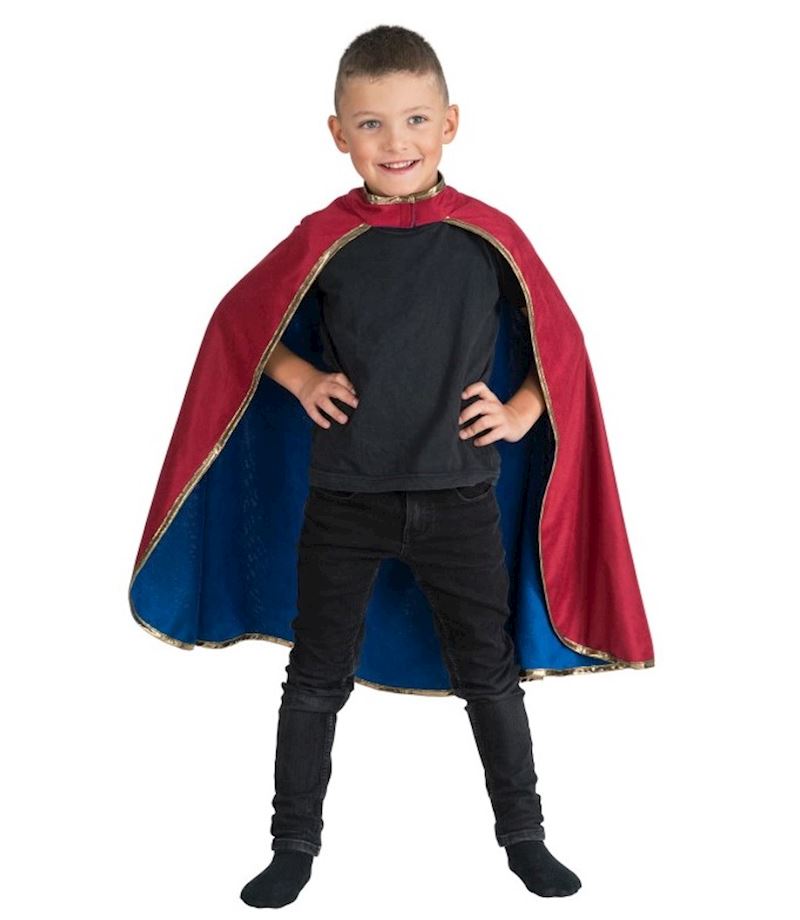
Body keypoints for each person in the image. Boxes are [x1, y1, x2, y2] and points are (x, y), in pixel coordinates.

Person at [129, 23, 654, 911]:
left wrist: (522, 410)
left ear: (450, 123)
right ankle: (292, 847)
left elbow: (560, 345)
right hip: (345, 499)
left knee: (489, 674)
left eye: (414, 119)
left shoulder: (489, 236)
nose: (396, 141)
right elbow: (237, 327)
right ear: (339, 133)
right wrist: (301, 378)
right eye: (371, 124)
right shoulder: (325, 237)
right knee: (315, 678)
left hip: (461, 498)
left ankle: (524, 838)